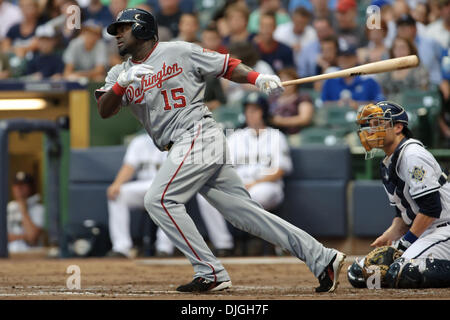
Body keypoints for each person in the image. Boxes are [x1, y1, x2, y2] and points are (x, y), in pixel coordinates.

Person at [96, 8, 346, 293]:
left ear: (141, 29)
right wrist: (121, 84)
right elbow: (105, 110)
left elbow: (225, 65)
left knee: (159, 200)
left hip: (197, 134)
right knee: (245, 215)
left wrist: (257, 78)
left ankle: (210, 271)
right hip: (183, 145)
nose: (117, 35)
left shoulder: (178, 50)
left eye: (123, 29)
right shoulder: (120, 72)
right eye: (116, 31)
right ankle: (322, 257)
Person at [348, 101, 450, 288]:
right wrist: (391, 234)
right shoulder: (389, 161)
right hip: (423, 231)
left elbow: (431, 209)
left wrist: (403, 245)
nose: (372, 129)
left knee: (404, 272)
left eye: (378, 123)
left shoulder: (412, 155)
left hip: (444, 228)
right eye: (370, 125)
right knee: (363, 276)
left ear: (398, 127)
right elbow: (404, 214)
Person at [196, 92, 292, 244]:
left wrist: (253, 184)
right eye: (248, 110)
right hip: (239, 185)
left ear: (264, 112)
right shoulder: (236, 137)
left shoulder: (276, 137)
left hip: (266, 186)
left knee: (256, 195)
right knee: (205, 196)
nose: (250, 114)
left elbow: (279, 170)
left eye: (255, 110)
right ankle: (224, 244)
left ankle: (262, 239)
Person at [321, 42, 385, 109]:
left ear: (355, 58)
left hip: (362, 117)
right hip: (335, 117)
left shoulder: (367, 78)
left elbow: (380, 103)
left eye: (347, 56)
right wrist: (336, 105)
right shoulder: (331, 77)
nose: (343, 60)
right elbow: (323, 103)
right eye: (340, 56)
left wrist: (359, 105)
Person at [269, 67, 314, 136]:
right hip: (272, 134)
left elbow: (304, 118)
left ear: (295, 81)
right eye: (280, 79)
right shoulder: (272, 98)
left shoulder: (302, 97)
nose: (283, 82)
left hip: (295, 134)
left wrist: (282, 121)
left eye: (287, 79)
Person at [7, 172, 45, 253]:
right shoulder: (8, 207)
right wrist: (25, 236)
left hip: (31, 256)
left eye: (23, 185)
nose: (19, 188)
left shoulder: (39, 209)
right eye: (16, 185)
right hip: (8, 255)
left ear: (31, 187)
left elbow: (32, 237)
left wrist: (23, 210)